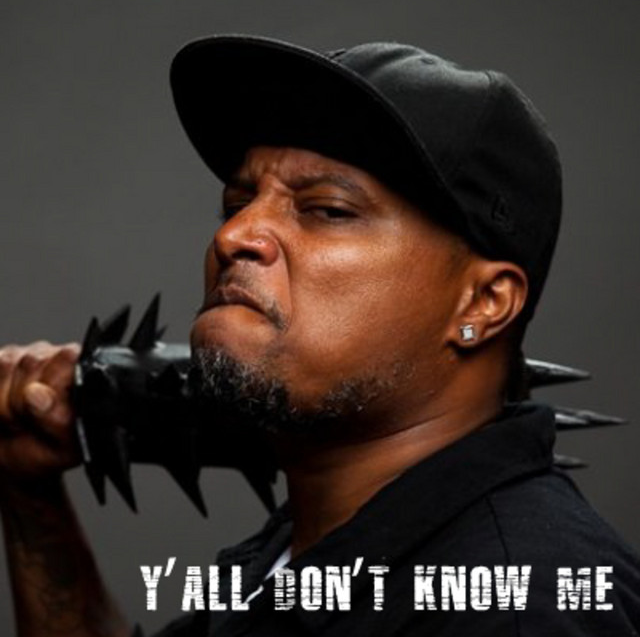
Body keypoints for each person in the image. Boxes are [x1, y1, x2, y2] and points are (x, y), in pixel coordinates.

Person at [0, 35, 638, 637]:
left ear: (483, 302)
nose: (233, 236)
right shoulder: (321, 551)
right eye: (236, 204)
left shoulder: (519, 608)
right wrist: (31, 493)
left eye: (328, 210)